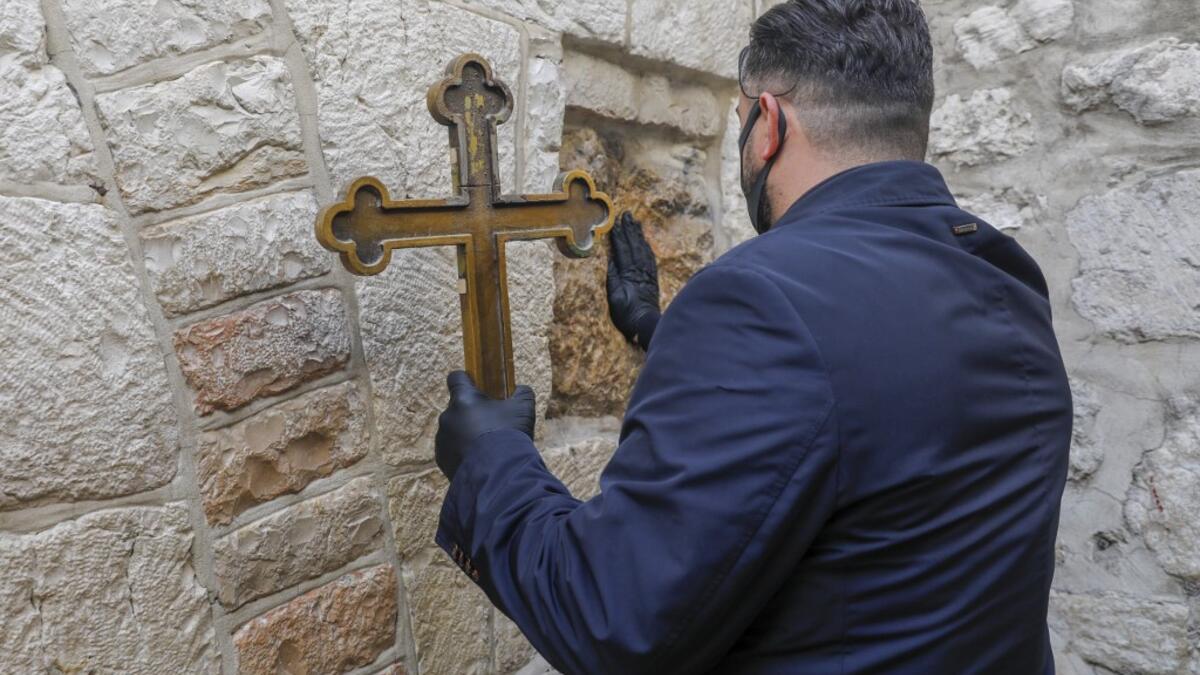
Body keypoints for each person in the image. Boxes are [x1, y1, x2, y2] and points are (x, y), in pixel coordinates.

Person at [432, 0, 1073, 672]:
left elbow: (613, 617)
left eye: (738, 122)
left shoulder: (759, 299)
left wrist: (490, 460)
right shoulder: (1002, 271)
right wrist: (660, 327)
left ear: (768, 124)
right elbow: (877, 391)